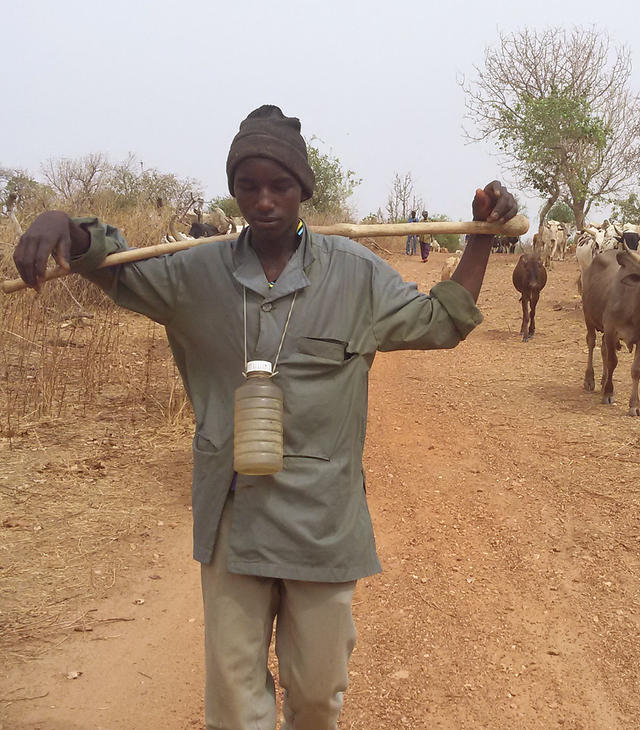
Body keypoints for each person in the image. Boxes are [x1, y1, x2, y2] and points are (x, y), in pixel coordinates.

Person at [13, 104, 517, 730]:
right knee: (234, 700)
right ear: (233, 190)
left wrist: (478, 239)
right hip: (235, 519)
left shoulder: (355, 275)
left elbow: (443, 322)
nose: (264, 201)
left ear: (304, 190)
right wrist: (65, 225)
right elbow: (113, 266)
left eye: (279, 185)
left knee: (316, 697)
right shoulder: (196, 273)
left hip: (324, 525)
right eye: (248, 185)